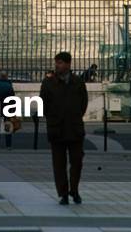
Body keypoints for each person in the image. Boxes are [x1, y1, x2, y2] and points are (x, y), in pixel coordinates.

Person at [40, 51, 88, 206]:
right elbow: (43, 104)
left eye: (60, 63)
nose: (57, 65)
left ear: (68, 64)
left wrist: (74, 115)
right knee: (59, 164)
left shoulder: (78, 82)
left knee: (77, 161)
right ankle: (63, 194)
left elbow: (83, 103)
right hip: (57, 128)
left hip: (74, 128)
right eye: (56, 62)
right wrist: (53, 118)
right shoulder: (48, 83)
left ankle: (74, 190)